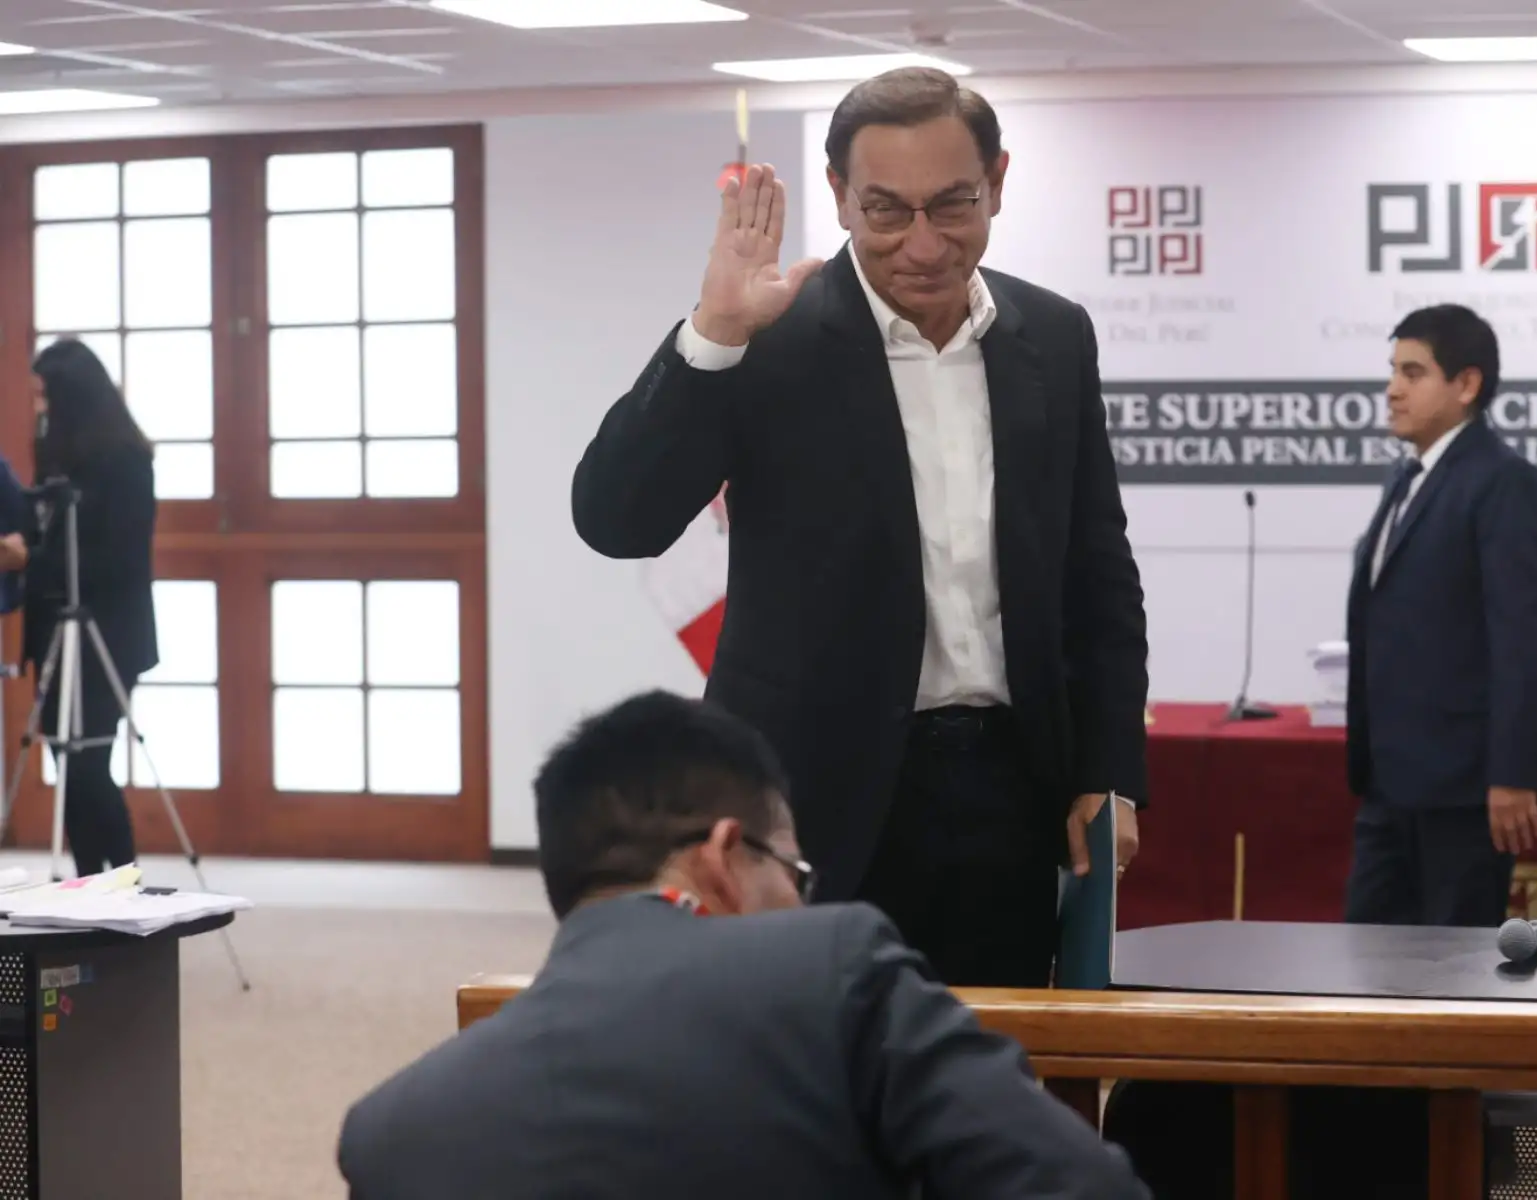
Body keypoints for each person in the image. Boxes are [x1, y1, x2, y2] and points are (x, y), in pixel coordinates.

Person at [571, 68, 1150, 987]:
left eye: (953, 205)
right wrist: (713, 334)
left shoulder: (1054, 335)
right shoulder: (768, 335)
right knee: (814, 1085)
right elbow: (615, 519)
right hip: (809, 796)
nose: (923, 244)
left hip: (1010, 789)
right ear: (839, 198)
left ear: (998, 181)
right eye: (886, 211)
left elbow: (1098, 572)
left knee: (990, 1074)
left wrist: (1110, 770)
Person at [336, 691, 1152, 1200]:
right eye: (793, 868)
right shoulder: (831, 968)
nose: (801, 897)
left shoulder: (392, 1129)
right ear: (724, 856)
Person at [1343, 304, 1537, 928]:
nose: (1392, 388)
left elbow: (1523, 635)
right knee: (1362, 969)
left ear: (1466, 385)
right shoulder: (1406, 478)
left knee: (1449, 981)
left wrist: (1514, 774)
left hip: (1465, 790)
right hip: (1390, 782)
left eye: (1413, 372)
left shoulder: (1504, 482)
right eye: (1392, 370)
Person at [23, 339, 159, 878]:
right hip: (55, 629)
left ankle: (123, 882)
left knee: (87, 765)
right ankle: (86, 884)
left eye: (46, 396)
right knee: (64, 762)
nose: (40, 408)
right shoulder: (55, 451)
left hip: (108, 634)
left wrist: (35, 556)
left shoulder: (126, 461)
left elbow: (120, 558)